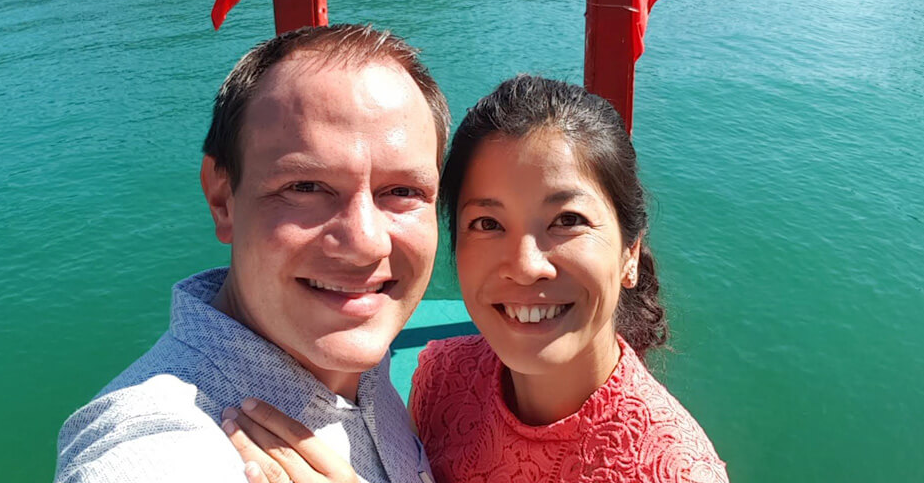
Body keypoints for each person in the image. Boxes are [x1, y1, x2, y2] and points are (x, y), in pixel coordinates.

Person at [225, 76, 727, 482]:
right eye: (487, 224)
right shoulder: (446, 377)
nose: (526, 264)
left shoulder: (672, 470)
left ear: (630, 253)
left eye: (567, 220)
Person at [55, 24, 451, 483]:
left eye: (403, 190)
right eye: (305, 187)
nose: (366, 243)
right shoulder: (158, 446)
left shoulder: (354, 347)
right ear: (222, 198)